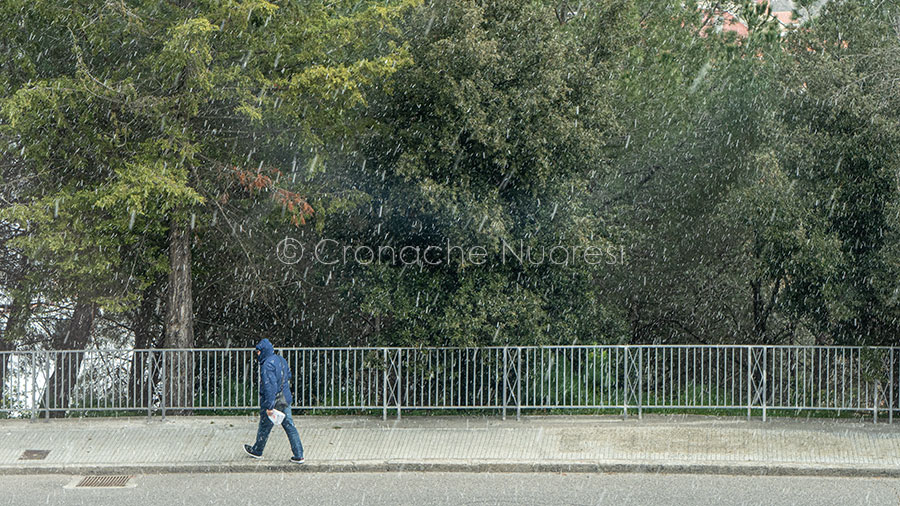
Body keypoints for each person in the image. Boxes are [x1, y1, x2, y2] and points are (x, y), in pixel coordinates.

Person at [243, 338, 304, 463]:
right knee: (290, 426)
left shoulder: (266, 365)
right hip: (285, 399)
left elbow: (269, 387)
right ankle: (299, 454)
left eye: (258, 352)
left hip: (274, 401)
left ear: (263, 351)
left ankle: (257, 450)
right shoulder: (281, 359)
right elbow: (289, 375)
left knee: (264, 426)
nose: (257, 354)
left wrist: (269, 406)